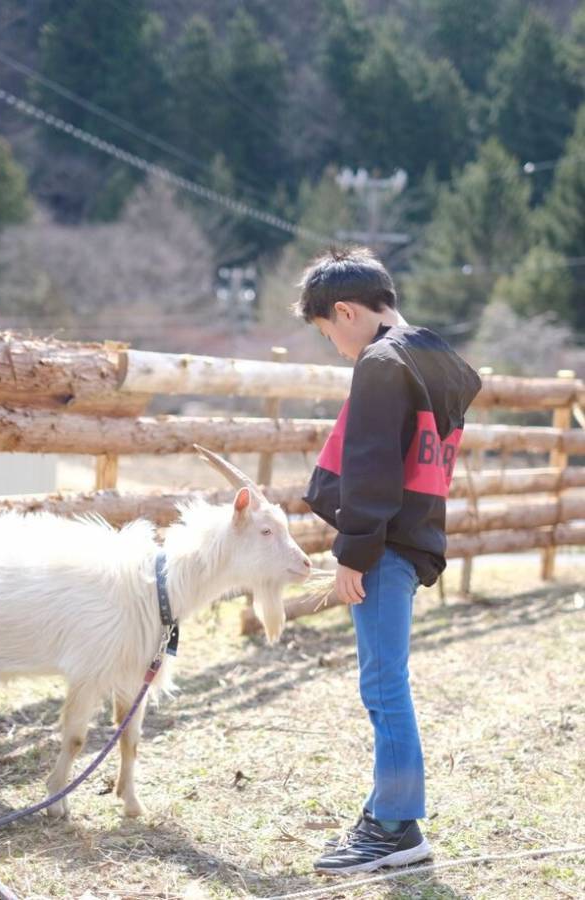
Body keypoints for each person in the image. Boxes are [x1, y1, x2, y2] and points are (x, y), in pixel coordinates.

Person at [291, 246, 482, 876]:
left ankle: (397, 827)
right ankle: (385, 812)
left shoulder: (378, 360)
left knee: (382, 683)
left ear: (346, 311)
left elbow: (370, 468)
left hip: (384, 545)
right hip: (417, 536)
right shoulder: (437, 358)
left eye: (328, 333)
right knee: (387, 679)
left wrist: (353, 553)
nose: (336, 347)